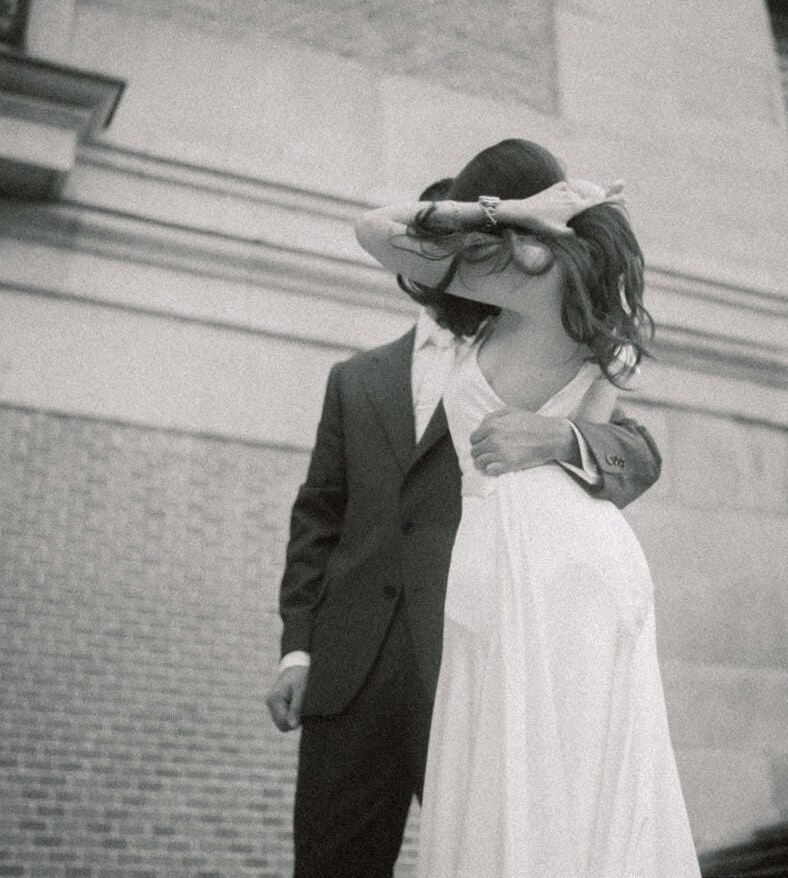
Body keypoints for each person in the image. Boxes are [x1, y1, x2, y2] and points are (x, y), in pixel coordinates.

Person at [267, 172, 664, 878]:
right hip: (350, 676)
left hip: (473, 651)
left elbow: (638, 451)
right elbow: (317, 518)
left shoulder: (537, 335)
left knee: (489, 852)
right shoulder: (355, 378)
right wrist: (296, 650)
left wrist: (557, 438)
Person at [355, 139, 700, 877]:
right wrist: (513, 211)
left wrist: (507, 213)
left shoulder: (537, 276)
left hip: (534, 548)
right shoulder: (554, 294)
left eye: (484, 208)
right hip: (549, 544)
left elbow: (375, 229)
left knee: (537, 763)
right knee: (555, 764)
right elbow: (380, 232)